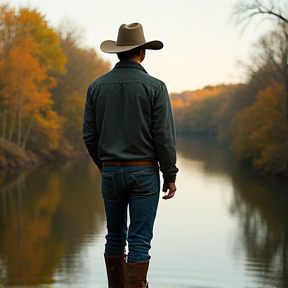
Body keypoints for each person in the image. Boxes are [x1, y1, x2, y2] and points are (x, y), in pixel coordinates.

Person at [83, 23, 178, 288]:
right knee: (139, 239)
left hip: (111, 171)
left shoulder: (96, 87)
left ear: (118, 53)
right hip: (145, 172)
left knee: (114, 236)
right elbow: (164, 137)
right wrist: (169, 175)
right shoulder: (156, 87)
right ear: (143, 53)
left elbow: (89, 136)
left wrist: (106, 167)